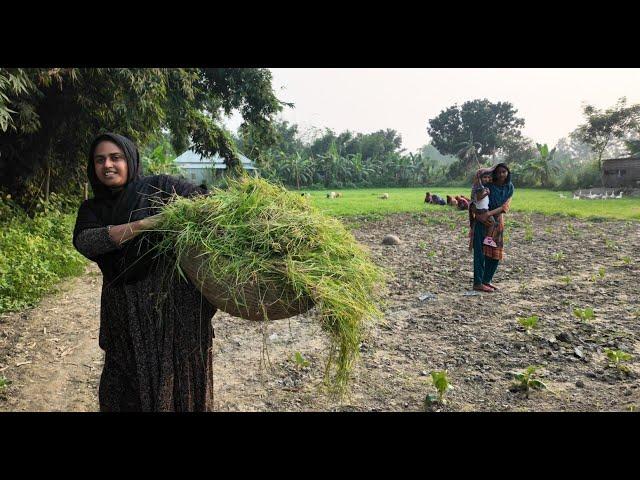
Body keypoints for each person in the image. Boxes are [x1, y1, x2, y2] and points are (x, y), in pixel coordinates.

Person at [72, 133, 216, 411]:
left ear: (130, 160)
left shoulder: (160, 187)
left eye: (116, 157)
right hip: (123, 314)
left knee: (177, 384)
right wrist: (148, 223)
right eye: (100, 159)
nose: (108, 165)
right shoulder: (91, 209)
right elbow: (87, 241)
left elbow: (203, 203)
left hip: (174, 311)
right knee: (124, 390)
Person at [469, 163, 514, 293]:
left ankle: (487, 280)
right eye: (499, 172)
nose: (501, 174)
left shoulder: (509, 187)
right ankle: (478, 282)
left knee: (495, 253)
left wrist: (488, 214)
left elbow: (505, 207)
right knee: (480, 253)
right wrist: (480, 215)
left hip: (496, 221)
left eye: (504, 172)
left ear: (507, 173)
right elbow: (474, 201)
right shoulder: (486, 186)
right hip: (481, 221)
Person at [471, 168, 498, 248]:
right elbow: (478, 198)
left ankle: (487, 239)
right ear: (480, 178)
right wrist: (486, 193)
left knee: (491, 224)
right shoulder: (479, 188)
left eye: (488, 177)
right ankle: (488, 239)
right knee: (493, 223)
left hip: (482, 209)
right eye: (484, 177)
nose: (487, 179)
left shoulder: (481, 187)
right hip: (482, 210)